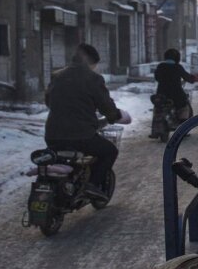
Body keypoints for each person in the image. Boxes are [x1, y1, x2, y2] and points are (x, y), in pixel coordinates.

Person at [44, 43, 132, 199]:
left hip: (52, 135)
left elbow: (48, 101)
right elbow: (106, 107)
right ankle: (92, 185)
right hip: (81, 136)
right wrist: (115, 116)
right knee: (109, 151)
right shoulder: (93, 78)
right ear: (91, 63)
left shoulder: (57, 76)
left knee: (61, 158)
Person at [154, 48, 196, 124]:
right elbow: (188, 78)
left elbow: (157, 77)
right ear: (177, 58)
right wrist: (193, 78)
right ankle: (183, 126)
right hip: (176, 94)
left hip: (161, 93)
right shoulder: (178, 67)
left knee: (157, 106)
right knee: (184, 106)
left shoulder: (160, 66)